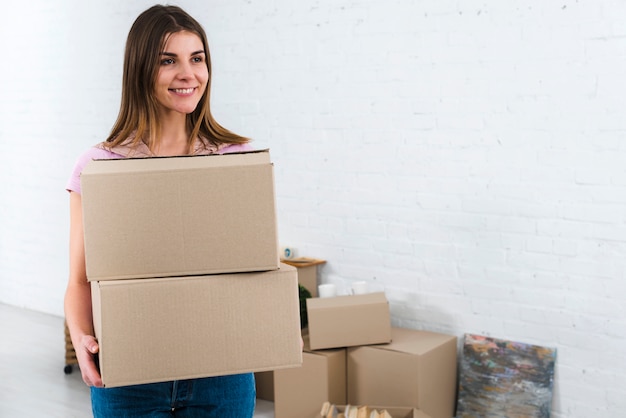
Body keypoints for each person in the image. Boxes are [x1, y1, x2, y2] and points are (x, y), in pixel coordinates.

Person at [64, 5, 256, 417]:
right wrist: (81, 339)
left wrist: (273, 323)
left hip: (222, 373)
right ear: (139, 70)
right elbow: (80, 281)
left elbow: (253, 266)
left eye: (197, 58)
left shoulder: (236, 158)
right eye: (168, 60)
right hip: (131, 374)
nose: (188, 74)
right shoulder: (100, 167)